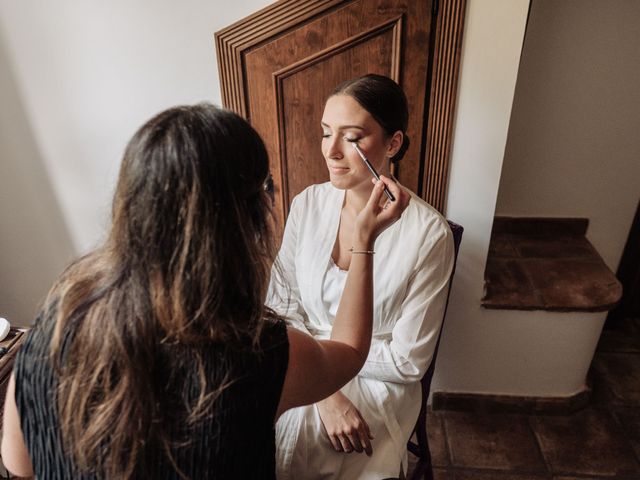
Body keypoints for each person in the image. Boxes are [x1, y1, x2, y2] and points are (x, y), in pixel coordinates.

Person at [1, 104, 409, 479]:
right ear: (251, 219)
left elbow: (16, 462)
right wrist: (364, 241)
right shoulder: (258, 351)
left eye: (351, 136)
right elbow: (351, 352)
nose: (334, 150)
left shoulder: (47, 331)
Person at [269, 74, 455, 479]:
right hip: (306, 365)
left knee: (309, 437)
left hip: (379, 382)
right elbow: (281, 305)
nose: (331, 151)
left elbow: (407, 361)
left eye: (351, 138)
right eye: (325, 133)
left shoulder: (429, 234)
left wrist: (320, 359)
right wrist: (326, 392)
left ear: (392, 144)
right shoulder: (308, 204)